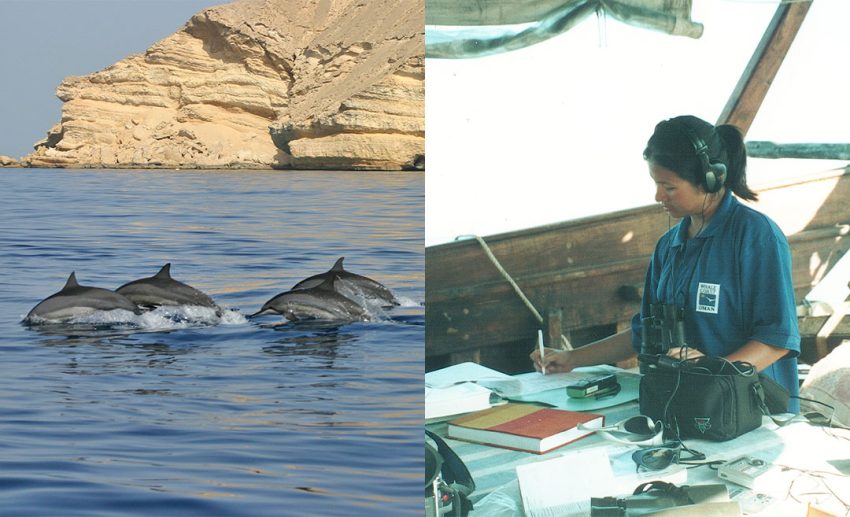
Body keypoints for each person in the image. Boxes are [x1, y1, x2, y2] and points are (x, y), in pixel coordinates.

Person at [530, 115, 801, 412]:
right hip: (689, 406)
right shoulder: (668, 246)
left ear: (709, 178)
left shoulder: (756, 237)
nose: (658, 196)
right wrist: (572, 358)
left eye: (669, 187)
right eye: (657, 184)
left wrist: (711, 372)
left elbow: (776, 341)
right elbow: (644, 332)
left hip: (754, 411)